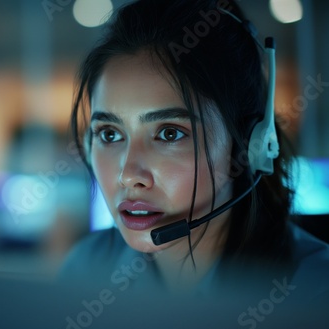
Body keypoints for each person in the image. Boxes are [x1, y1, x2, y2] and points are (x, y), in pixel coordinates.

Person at [60, 0, 329, 306]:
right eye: (109, 134)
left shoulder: (316, 292)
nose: (128, 175)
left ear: (249, 145)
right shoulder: (83, 269)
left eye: (169, 133)